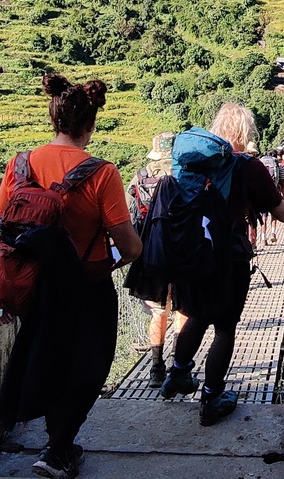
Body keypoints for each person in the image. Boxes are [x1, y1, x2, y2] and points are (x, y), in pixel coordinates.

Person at [0, 75, 142, 479]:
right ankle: (58, 449)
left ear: (53, 118)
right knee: (88, 366)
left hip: (32, 284)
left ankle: (54, 442)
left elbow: (2, 222)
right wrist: (108, 261)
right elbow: (130, 247)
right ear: (89, 126)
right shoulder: (101, 173)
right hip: (84, 287)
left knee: (47, 356)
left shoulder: (21, 163)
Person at [159, 103, 284, 425]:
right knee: (224, 327)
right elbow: (280, 211)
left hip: (190, 254)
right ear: (245, 132)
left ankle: (178, 374)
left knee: (196, 315)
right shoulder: (248, 167)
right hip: (228, 258)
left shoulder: (189, 164)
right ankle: (212, 398)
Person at [127, 132, 184, 387]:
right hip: (183, 253)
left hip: (150, 255)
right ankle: (179, 367)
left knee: (158, 312)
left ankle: (155, 368)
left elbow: (128, 219)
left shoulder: (140, 178)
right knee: (182, 310)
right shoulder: (186, 175)